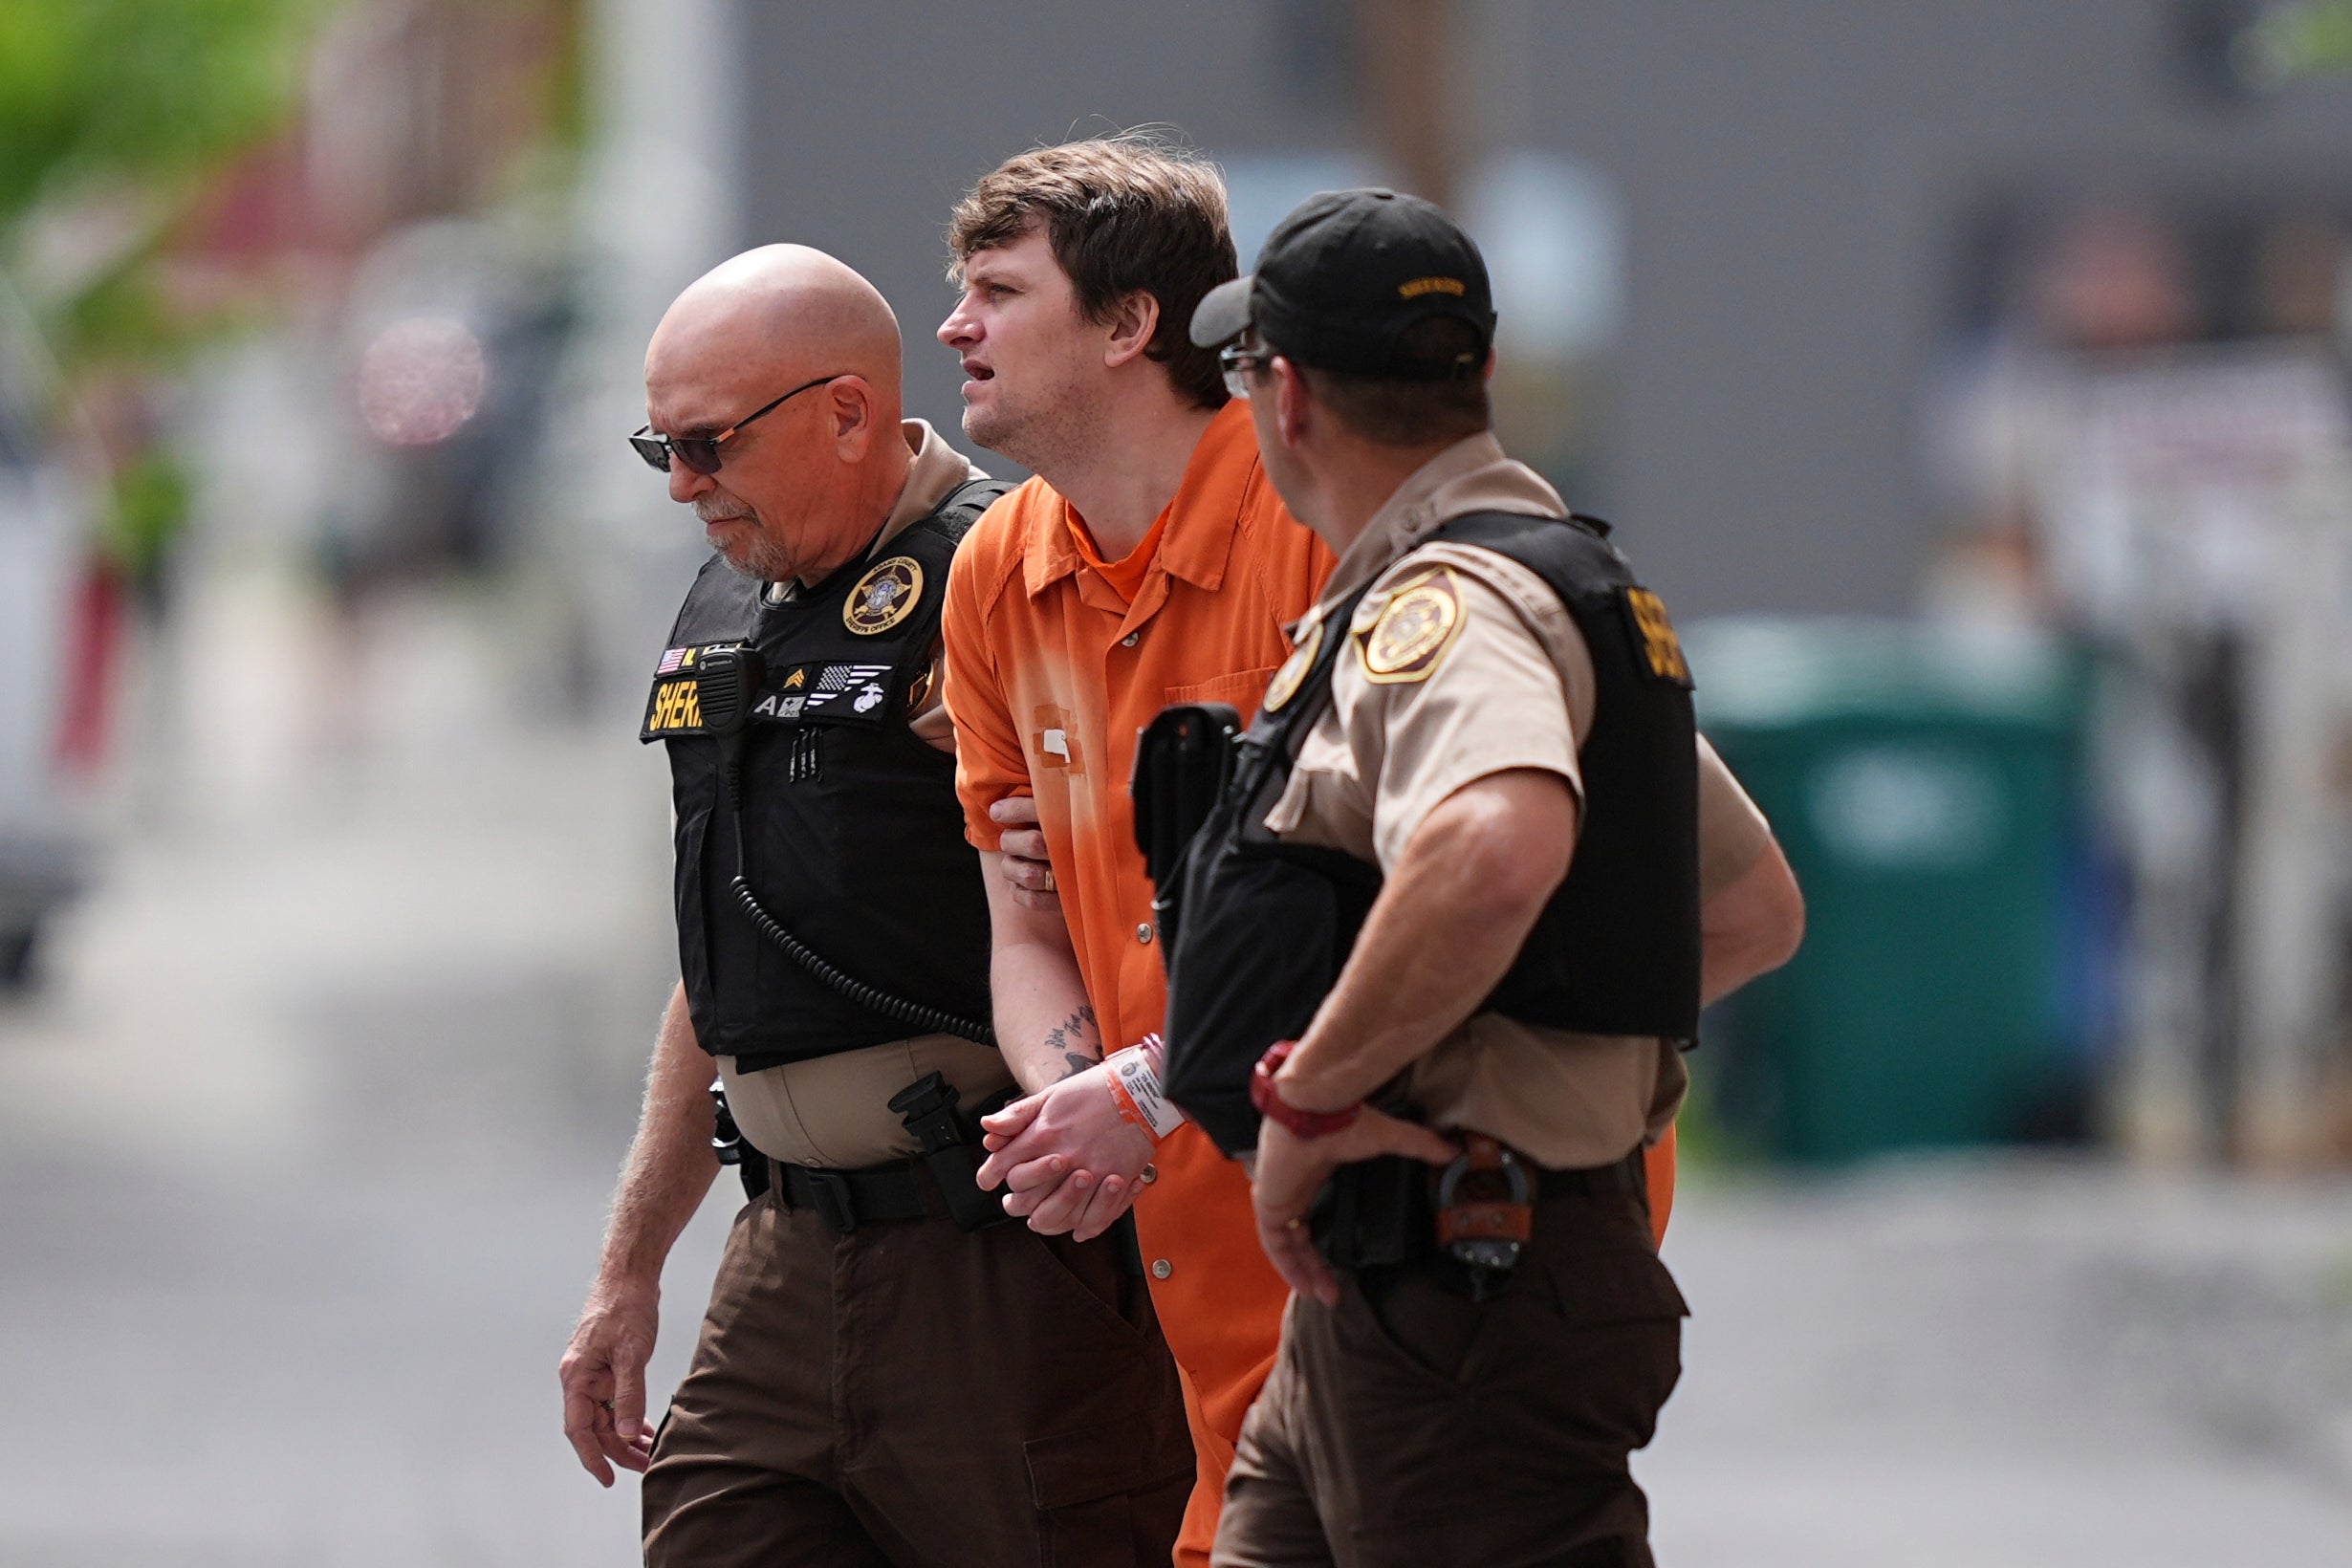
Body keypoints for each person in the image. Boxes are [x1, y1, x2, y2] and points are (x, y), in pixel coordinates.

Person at [1180, 190, 1806, 1567]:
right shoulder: (1563, 588)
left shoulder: (1451, 612)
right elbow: (1754, 910)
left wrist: (1318, 1094)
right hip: (1416, 1279)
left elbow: (1496, 846)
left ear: (1285, 398)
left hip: (1463, 1280)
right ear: (1481, 377)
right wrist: (1498, 1028)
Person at [557, 244, 1190, 1568]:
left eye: (709, 444)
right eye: (657, 448)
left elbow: (1169, 872)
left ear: (848, 412)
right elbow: (723, 945)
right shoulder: (732, 591)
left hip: (991, 1249)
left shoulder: (1013, 569)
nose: (683, 486)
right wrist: (630, 1268)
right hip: (781, 1251)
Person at [930, 138, 1325, 1568]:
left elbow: (1407, 899)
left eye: (995, 289)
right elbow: (1021, 924)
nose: (952, 326)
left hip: (1387, 1247)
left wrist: (1147, 1094)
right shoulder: (996, 570)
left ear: (1129, 324)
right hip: (1197, 1287)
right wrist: (1076, 1100)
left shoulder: (1310, 524)